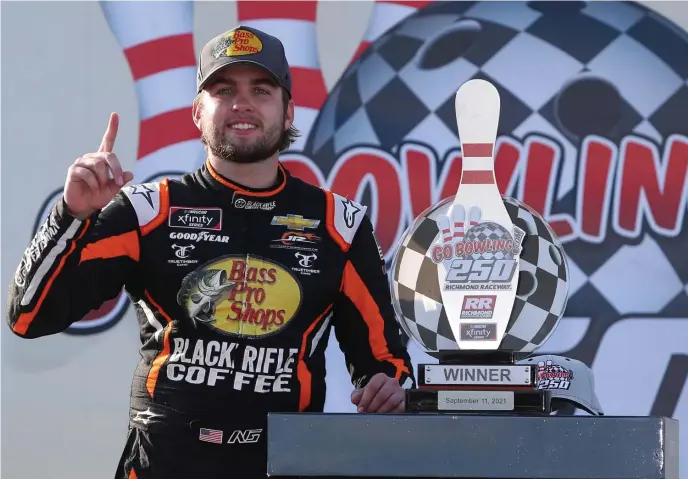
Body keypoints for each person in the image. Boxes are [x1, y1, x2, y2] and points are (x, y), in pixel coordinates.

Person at [6, 25, 415, 479]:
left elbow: (388, 365)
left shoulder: (339, 225)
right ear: (198, 113)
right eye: (224, 90)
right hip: (162, 464)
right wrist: (71, 215)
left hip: (284, 463)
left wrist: (389, 388)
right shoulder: (148, 211)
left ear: (288, 112)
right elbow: (29, 316)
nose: (242, 103)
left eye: (261, 90)